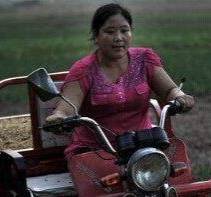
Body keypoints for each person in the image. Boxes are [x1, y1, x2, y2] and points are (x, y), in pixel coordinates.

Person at [45, 3, 194, 159]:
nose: (118, 38)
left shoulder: (145, 59)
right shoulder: (83, 70)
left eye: (124, 31)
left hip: (142, 144)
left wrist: (180, 97)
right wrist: (58, 119)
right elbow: (66, 109)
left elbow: (169, 90)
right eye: (110, 32)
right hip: (96, 150)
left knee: (173, 175)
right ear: (96, 36)